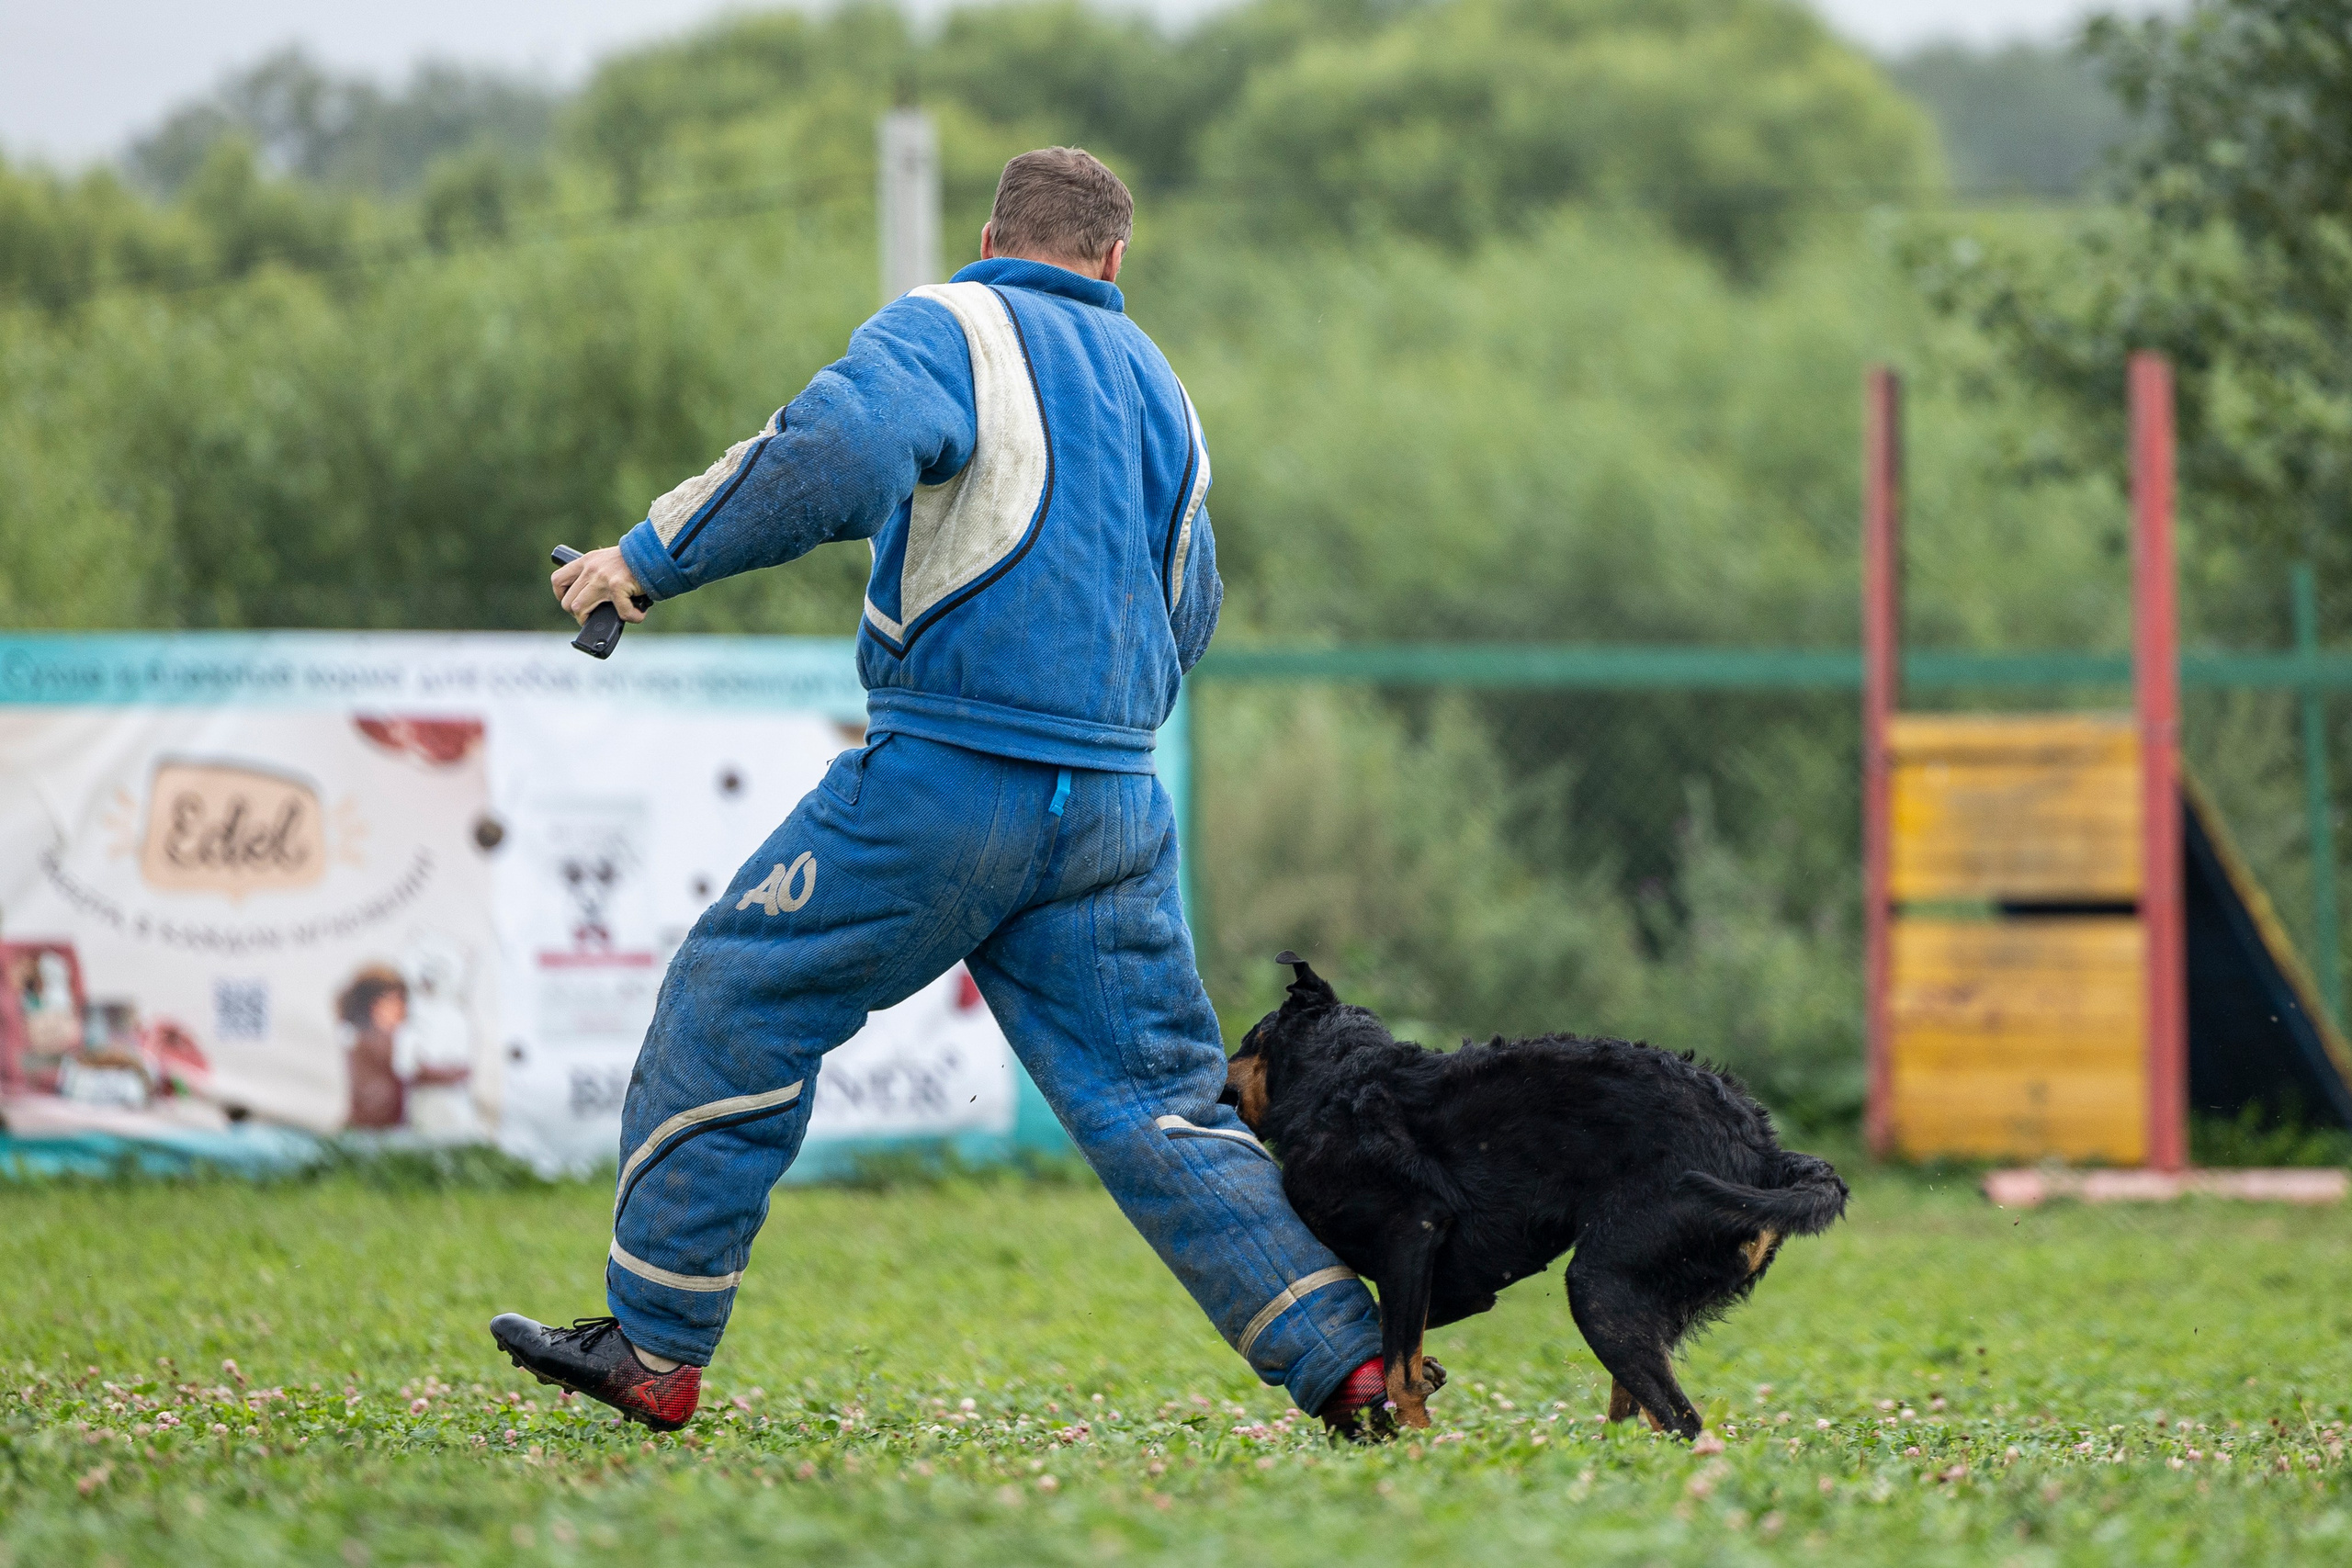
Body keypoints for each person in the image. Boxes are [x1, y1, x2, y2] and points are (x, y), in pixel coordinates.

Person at [491, 147, 1406, 1438]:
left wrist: (643, 560)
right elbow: (1189, 603)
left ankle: (653, 1341)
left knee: (737, 993)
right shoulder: (1167, 390)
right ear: (1115, 259)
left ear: (990, 236)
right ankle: (1355, 1366)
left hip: (941, 784)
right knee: (1162, 1104)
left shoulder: (951, 324)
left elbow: (830, 455)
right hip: (1113, 810)